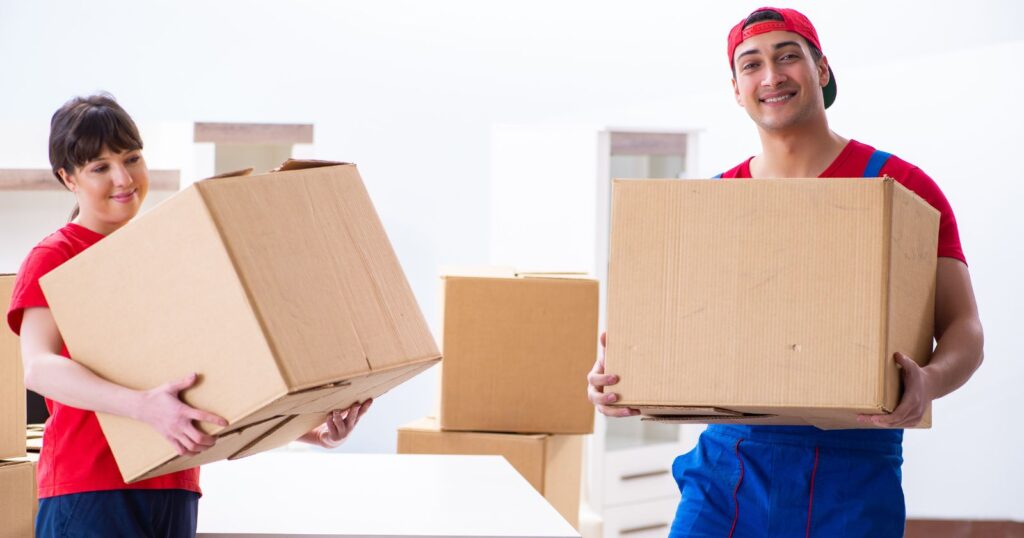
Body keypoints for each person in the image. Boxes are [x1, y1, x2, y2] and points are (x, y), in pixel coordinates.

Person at [587, 7, 984, 537]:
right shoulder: (712, 203)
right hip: (728, 470)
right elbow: (674, 328)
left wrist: (928, 383)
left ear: (821, 70)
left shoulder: (900, 187)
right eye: (751, 64)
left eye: (787, 57)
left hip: (853, 470)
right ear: (736, 89)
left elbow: (965, 328)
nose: (771, 76)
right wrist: (620, 374)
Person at [7, 93, 372, 537]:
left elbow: (216, 383)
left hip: (175, 482)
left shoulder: (165, 254)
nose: (123, 178)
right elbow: (39, 369)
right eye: (99, 167)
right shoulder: (55, 256)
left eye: (132, 158)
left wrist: (311, 430)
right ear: (68, 178)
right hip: (91, 487)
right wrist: (143, 408)